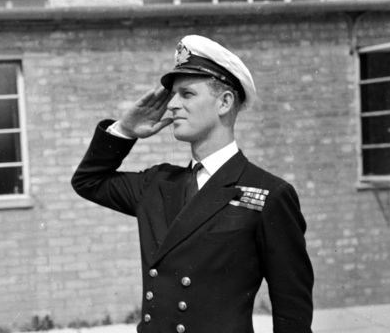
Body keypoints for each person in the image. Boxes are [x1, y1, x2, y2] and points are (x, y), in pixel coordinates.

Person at [71, 35, 314, 333]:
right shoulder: (158, 184)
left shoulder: (269, 194)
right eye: (173, 95)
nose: (172, 105)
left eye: (186, 94)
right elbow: (88, 181)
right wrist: (124, 130)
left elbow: (292, 309)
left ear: (224, 102)